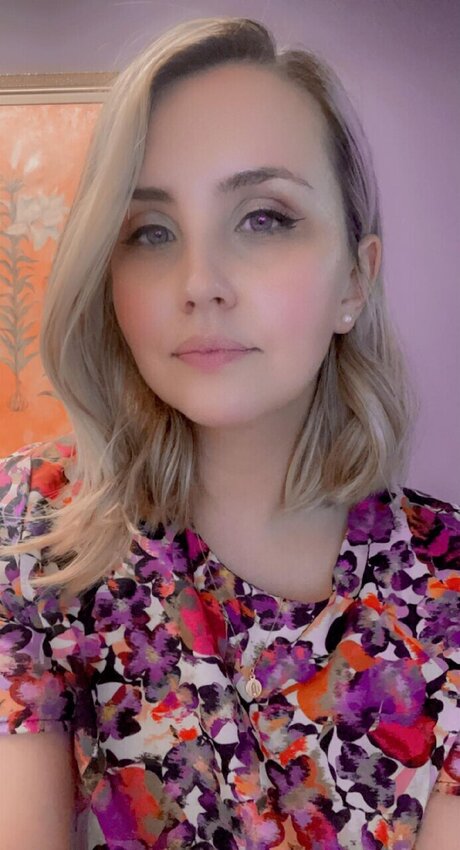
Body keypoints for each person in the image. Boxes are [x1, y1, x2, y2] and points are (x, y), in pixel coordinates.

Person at [0, 15, 458, 850]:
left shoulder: (448, 591)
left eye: (265, 218)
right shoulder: (34, 533)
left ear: (355, 281)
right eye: (150, 232)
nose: (200, 282)